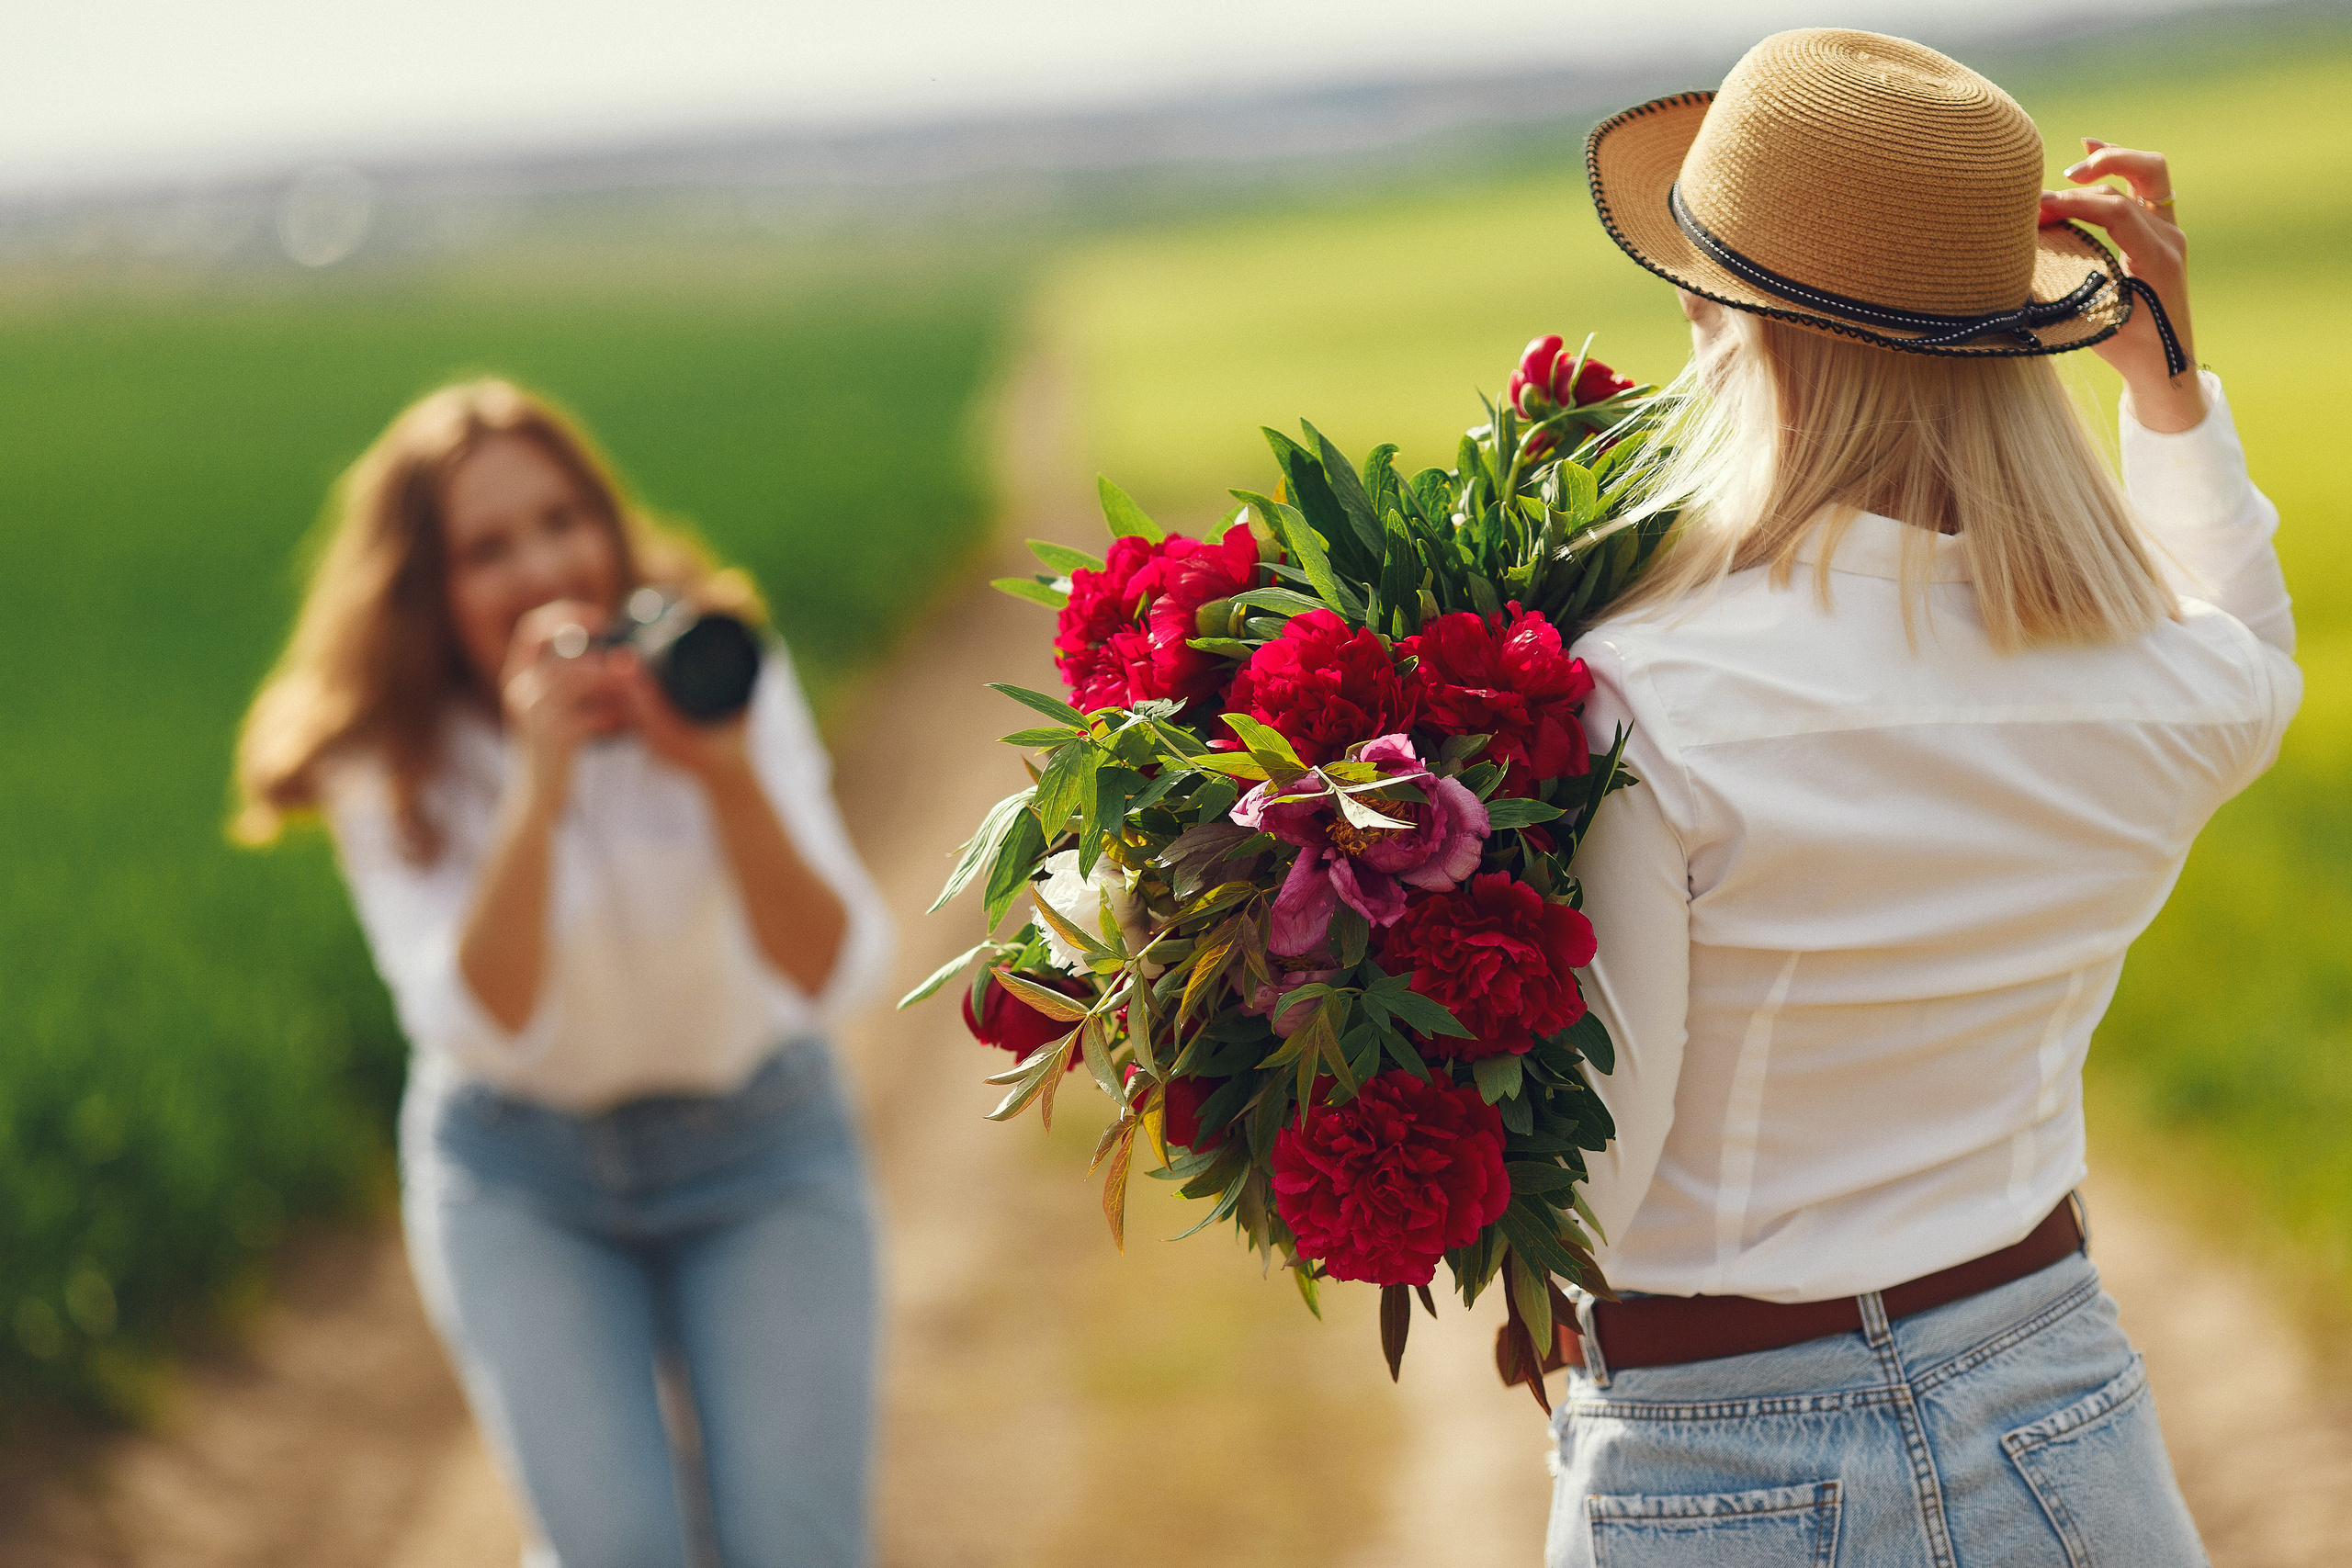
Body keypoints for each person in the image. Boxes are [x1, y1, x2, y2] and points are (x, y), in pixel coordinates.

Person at [1550, 30, 2296, 1566]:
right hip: (2067, 1417)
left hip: (1717, 1463)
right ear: (2011, 338)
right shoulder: (2166, 688)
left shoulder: (1648, 701)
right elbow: (2253, 658)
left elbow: (1590, 1195)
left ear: (1723, 316)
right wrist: (2170, 398)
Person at [234, 380, 892, 1568]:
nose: (542, 567)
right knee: (615, 1549)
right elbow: (477, 1018)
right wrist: (537, 790)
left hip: (764, 1145)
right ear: (427, 591)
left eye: (561, 520)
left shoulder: (713, 665)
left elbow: (836, 967)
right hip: (520, 1175)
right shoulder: (389, 753)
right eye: (488, 548)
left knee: (796, 1548)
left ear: (607, 522)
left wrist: (722, 775)